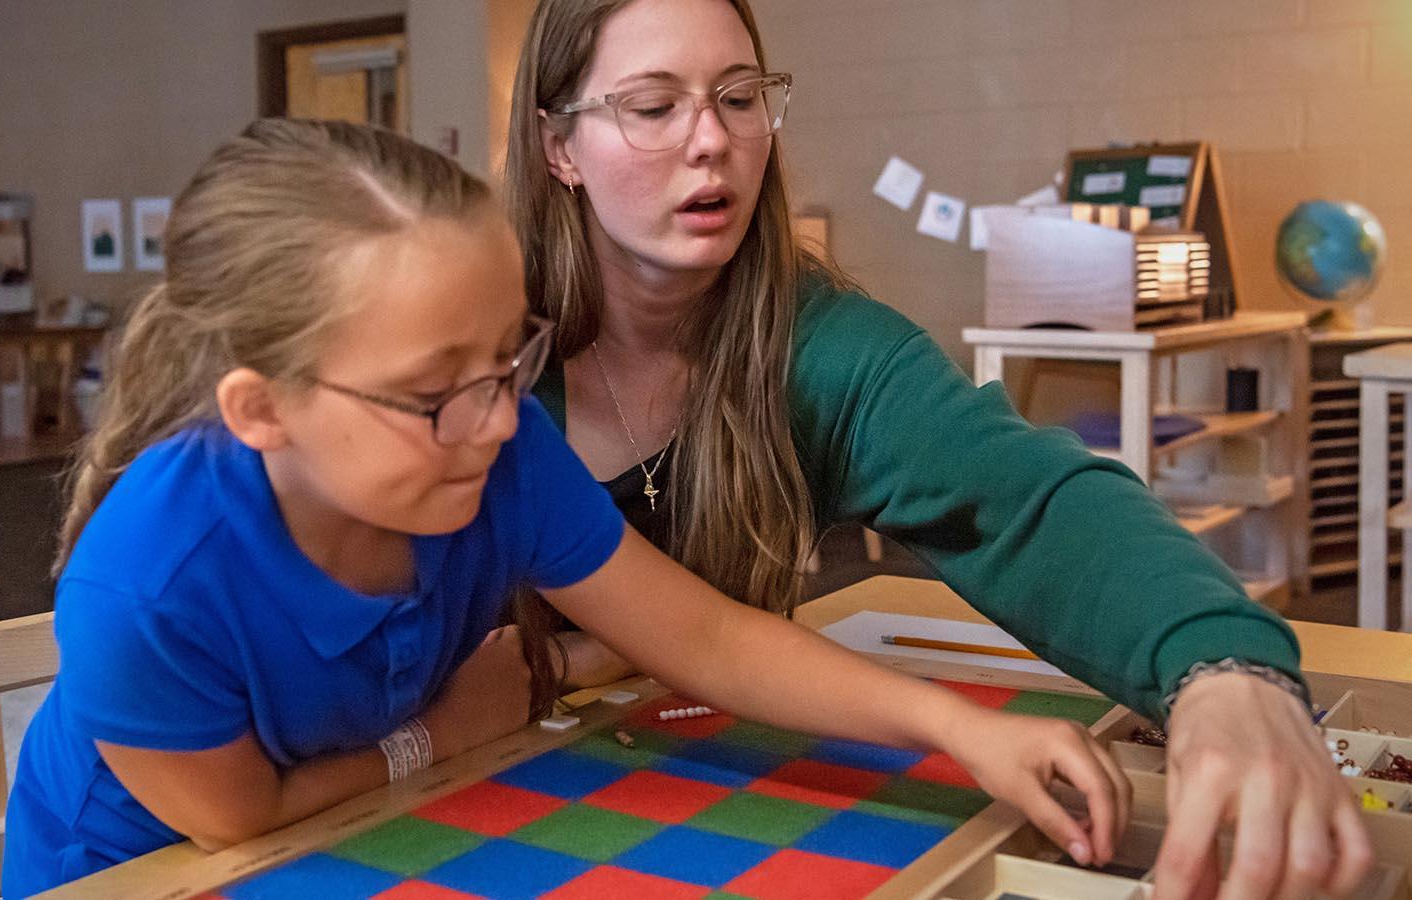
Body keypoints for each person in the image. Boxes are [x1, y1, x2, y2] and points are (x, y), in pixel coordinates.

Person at [0, 119, 1128, 898]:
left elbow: (708, 636)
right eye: (438, 390)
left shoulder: (490, 444)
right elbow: (236, 820)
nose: (497, 418)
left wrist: (962, 729)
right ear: (261, 409)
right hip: (138, 870)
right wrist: (438, 734)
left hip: (361, 834)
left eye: (509, 356)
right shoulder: (144, 585)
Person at [502, 1, 1373, 897]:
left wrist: (1224, 670)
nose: (711, 140)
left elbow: (1030, 502)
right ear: (558, 145)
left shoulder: (825, 348)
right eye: (653, 107)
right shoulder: (478, 347)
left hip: (698, 792)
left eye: (739, 96)